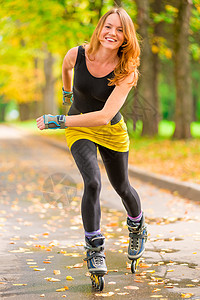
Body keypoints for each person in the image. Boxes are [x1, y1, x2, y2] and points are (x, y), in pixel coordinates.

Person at [37, 7, 147, 281]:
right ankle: (94, 247)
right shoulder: (78, 54)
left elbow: (104, 117)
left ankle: (137, 227)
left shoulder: (127, 70)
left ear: (126, 38)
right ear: (99, 28)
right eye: (108, 26)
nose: (112, 33)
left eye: (120, 30)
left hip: (109, 130)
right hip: (79, 128)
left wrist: (59, 120)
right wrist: (66, 93)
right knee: (93, 182)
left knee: (121, 186)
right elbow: (65, 67)